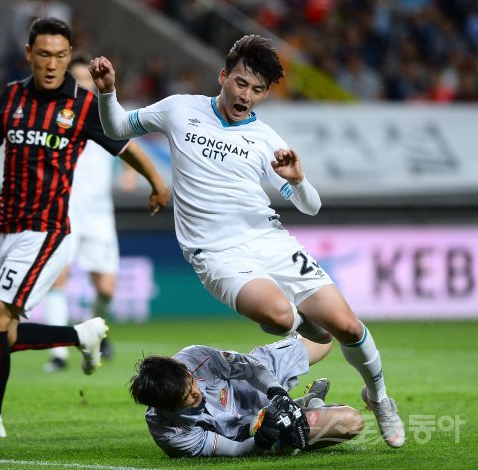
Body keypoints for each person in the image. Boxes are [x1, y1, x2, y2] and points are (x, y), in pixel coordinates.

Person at [89, 34, 405, 448]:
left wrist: (298, 181)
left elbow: (310, 206)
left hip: (269, 241)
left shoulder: (267, 140)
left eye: (257, 89)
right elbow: (115, 127)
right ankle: (302, 325)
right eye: (240, 83)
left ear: (265, 93)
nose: (246, 95)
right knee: (279, 317)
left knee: (347, 326)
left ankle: (378, 398)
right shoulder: (179, 109)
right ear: (223, 76)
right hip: (216, 253)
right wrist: (107, 92)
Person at [0, 17, 169, 441]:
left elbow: (125, 146)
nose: (51, 64)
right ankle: (79, 334)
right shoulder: (12, 96)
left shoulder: (82, 105)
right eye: (44, 54)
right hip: (6, 229)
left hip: (46, 230)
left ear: (68, 56)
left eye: (60, 56)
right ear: (29, 53)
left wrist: (156, 182)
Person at [42, 55, 139, 372]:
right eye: (77, 79)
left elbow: (128, 148)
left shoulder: (106, 116)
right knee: (57, 279)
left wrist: (130, 172)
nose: (83, 84)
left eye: (87, 79)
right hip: (64, 211)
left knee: (106, 289)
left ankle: (94, 332)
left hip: (99, 215)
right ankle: (58, 354)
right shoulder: (56, 116)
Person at [129, 335, 364, 457]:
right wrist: (262, 441)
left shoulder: (194, 357)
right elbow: (235, 450)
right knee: (351, 422)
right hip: (249, 430)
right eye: (187, 398)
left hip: (253, 386)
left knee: (322, 338)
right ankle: (309, 404)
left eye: (192, 383)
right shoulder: (171, 434)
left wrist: (277, 393)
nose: (196, 392)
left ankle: (297, 404)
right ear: (167, 408)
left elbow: (251, 369)